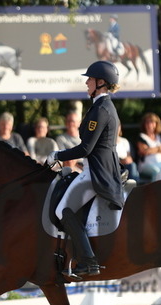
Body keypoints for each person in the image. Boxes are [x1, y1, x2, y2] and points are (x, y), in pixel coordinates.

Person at [45, 60, 123, 277]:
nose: (87, 82)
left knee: (62, 210)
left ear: (101, 82)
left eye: (90, 79)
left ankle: (88, 261)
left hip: (97, 172)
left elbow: (86, 148)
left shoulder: (102, 109)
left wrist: (57, 155)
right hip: (93, 166)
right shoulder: (100, 106)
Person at [136, 112, 161, 182]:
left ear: (156, 124)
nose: (149, 125)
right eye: (147, 122)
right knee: (160, 173)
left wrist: (152, 150)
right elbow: (145, 151)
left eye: (152, 122)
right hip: (147, 166)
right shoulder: (141, 137)